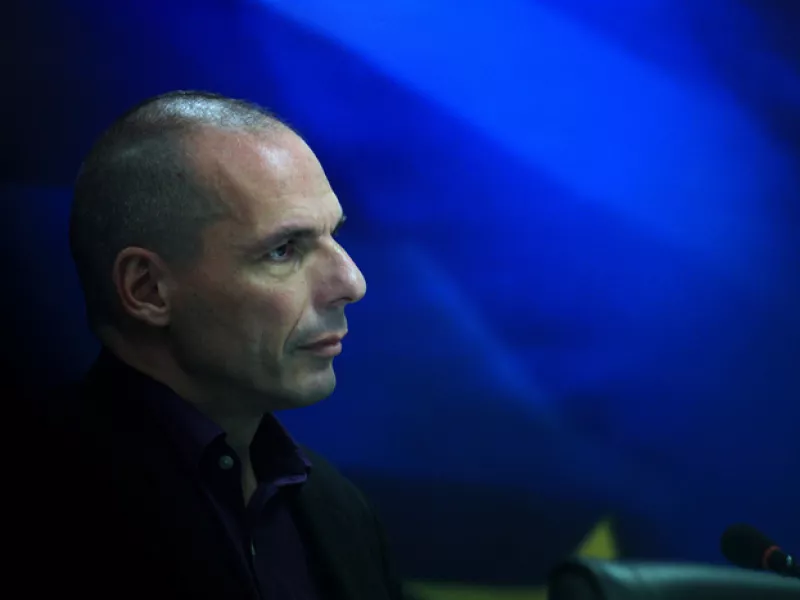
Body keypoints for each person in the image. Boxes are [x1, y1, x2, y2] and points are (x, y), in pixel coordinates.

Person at [41, 90, 405, 600]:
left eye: (335, 236)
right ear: (147, 289)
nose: (352, 282)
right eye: (283, 250)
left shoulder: (338, 508)